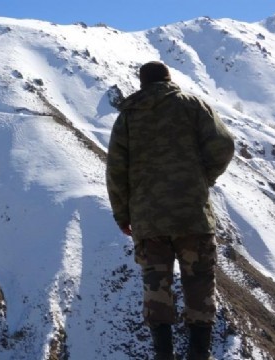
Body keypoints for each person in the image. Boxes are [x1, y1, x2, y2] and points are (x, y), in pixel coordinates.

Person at [105, 61, 235, 360]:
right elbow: (224, 145)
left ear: (142, 83)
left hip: (148, 221)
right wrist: (205, 178)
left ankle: (163, 354)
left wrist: (122, 215)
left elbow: (116, 170)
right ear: (169, 79)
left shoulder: (128, 115)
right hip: (192, 215)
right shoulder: (193, 105)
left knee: (156, 288)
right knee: (199, 283)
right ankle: (199, 354)